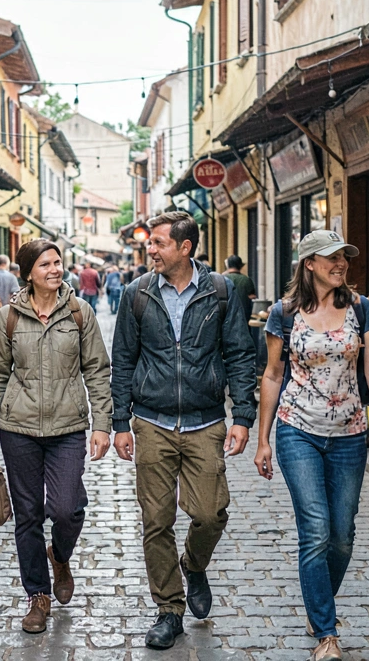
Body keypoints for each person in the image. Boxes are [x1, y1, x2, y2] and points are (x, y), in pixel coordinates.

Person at [110, 211, 257, 650]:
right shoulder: (137, 293)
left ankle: (193, 564)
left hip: (205, 421)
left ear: (185, 247)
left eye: (158, 243)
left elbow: (239, 354)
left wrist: (243, 416)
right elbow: (123, 360)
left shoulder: (220, 291)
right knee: (156, 521)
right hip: (152, 422)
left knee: (210, 513)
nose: (150, 249)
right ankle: (169, 610)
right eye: (150, 243)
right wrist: (120, 422)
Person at [253, 229, 369, 660]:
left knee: (342, 534)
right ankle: (326, 633)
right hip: (297, 429)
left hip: (349, 433)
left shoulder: (360, 308)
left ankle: (319, 604)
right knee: (315, 530)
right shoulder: (284, 314)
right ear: (309, 264)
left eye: (344, 257)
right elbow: (273, 375)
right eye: (331, 257)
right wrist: (263, 440)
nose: (341, 264)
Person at [0, 239, 114, 633]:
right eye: (45, 265)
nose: (55, 269)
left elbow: (97, 371)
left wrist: (102, 424)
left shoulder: (79, 312)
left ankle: (61, 555)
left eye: (57, 262)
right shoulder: (8, 318)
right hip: (18, 429)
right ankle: (37, 595)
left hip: (67, 427)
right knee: (28, 515)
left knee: (67, 508)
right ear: (27, 274)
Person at [222, 255, 257, 324]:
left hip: (226, 316)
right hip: (243, 317)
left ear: (228, 266)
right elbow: (252, 296)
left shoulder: (222, 279)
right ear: (240, 266)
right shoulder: (246, 280)